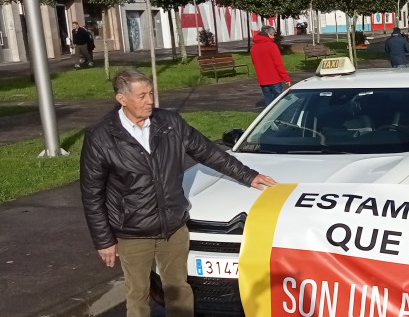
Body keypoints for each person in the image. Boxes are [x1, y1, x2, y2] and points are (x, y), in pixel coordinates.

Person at [80, 68, 277, 317]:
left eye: (151, 93)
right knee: (138, 296)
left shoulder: (169, 123)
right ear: (122, 99)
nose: (150, 100)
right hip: (133, 232)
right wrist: (104, 240)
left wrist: (249, 175)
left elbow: (208, 152)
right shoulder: (101, 137)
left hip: (173, 227)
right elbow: (91, 194)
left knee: (179, 291)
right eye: (142, 96)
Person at [250, 25, 290, 106]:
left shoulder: (254, 47)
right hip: (274, 78)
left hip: (262, 79)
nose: (274, 37)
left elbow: (254, 63)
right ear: (268, 34)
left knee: (268, 103)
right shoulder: (272, 46)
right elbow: (278, 64)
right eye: (273, 35)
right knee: (279, 103)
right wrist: (286, 78)